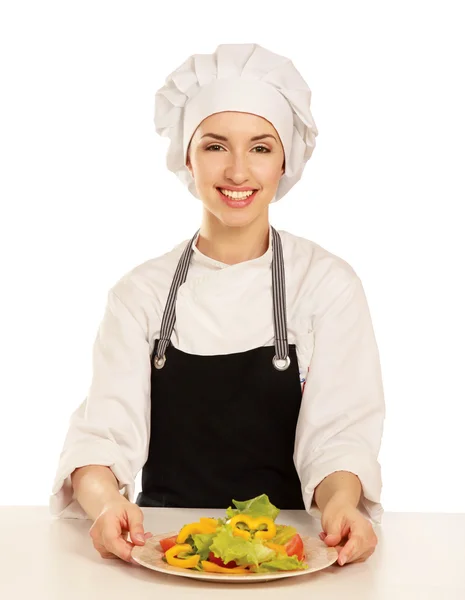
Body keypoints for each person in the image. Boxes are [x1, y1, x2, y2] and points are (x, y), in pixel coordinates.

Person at [50, 43, 385, 568]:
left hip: (290, 555)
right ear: (186, 155)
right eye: (214, 146)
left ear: (286, 159)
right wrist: (106, 504)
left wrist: (342, 505)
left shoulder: (325, 285)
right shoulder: (141, 294)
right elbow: (103, 435)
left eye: (260, 147)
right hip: (166, 553)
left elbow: (338, 435)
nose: (236, 171)